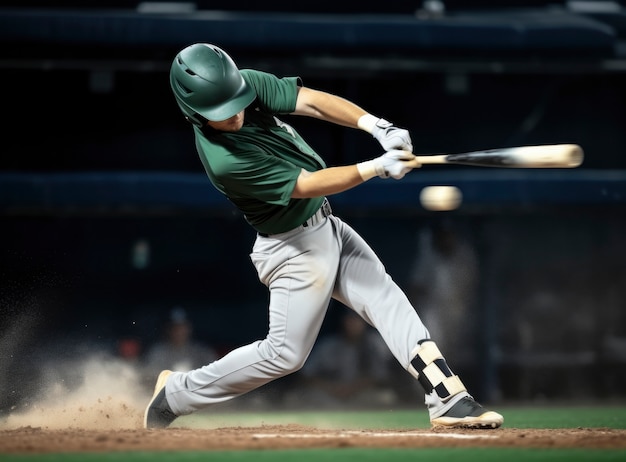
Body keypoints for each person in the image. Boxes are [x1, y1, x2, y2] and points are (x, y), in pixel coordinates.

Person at [144, 43, 503, 430]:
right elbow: (309, 184)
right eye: (221, 112)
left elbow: (311, 102)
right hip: (291, 248)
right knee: (284, 355)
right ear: (195, 114)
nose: (234, 113)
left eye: (236, 102)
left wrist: (376, 126)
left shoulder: (244, 86)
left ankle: (447, 397)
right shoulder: (224, 160)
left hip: (324, 225)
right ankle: (177, 393)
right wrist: (374, 168)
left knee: (386, 299)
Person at [292, 309, 399, 408]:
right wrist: (330, 387)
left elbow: (380, 377)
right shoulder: (328, 345)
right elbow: (306, 375)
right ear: (343, 322)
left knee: (386, 397)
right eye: (350, 320)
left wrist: (353, 388)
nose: (353, 325)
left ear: (365, 323)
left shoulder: (373, 345)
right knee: (297, 398)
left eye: (357, 321)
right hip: (328, 393)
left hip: (360, 394)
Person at [143, 307, 219, 380]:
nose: (179, 332)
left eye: (182, 327)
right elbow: (149, 377)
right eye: (174, 327)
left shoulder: (202, 352)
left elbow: (214, 375)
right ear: (167, 329)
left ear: (189, 327)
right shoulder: (157, 352)